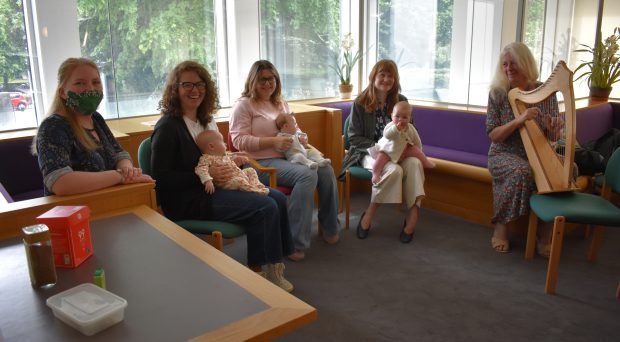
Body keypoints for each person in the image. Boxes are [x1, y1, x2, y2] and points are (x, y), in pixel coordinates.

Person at [151, 60, 295, 292]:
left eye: (200, 84)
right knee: (264, 207)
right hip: (190, 199)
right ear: (175, 89)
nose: (195, 90)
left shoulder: (205, 119)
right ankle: (259, 271)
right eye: (187, 85)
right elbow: (161, 179)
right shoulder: (168, 127)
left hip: (216, 188)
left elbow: (216, 155)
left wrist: (231, 157)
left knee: (277, 198)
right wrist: (199, 177)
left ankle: (275, 265)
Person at [230, 60, 341, 261]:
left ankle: (329, 226)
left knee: (326, 169)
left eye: (271, 78)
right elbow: (239, 140)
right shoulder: (243, 105)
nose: (267, 83)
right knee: (307, 175)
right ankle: (294, 242)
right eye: (262, 79)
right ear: (253, 81)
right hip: (259, 164)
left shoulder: (280, 102)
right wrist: (272, 141)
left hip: (288, 158)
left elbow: (293, 128)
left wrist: (301, 136)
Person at [34, 57, 154, 196]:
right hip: (72, 211)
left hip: (109, 201)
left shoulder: (96, 118)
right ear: (62, 92)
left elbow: (119, 154)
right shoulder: (53, 126)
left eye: (96, 82)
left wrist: (127, 170)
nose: (90, 88)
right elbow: (60, 183)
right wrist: (119, 176)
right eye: (80, 83)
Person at [486, 42, 561, 254]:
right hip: (503, 154)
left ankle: (545, 232)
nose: (509, 68)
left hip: (537, 154)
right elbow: (493, 134)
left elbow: (553, 135)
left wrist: (554, 129)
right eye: (505, 64)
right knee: (521, 171)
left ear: (525, 63)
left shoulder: (544, 93)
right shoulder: (498, 94)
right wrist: (519, 120)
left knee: (565, 170)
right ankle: (501, 227)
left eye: (514, 63)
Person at [340, 59, 424, 244]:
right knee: (394, 170)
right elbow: (353, 137)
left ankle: (413, 213)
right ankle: (369, 212)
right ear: (373, 77)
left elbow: (411, 130)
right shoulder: (360, 102)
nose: (386, 79)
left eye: (390, 76)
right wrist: (382, 149)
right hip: (369, 152)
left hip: (400, 151)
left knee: (416, 164)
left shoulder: (401, 101)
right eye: (382, 75)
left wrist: (405, 148)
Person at [368, 101, 435, 184]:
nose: (400, 119)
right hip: (387, 150)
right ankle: (376, 173)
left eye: (404, 117)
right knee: (379, 161)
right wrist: (396, 129)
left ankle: (425, 161)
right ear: (392, 116)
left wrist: (418, 149)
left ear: (410, 118)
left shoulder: (411, 128)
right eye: (397, 116)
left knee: (415, 150)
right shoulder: (391, 126)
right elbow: (387, 135)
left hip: (403, 149)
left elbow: (417, 140)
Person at [194, 129, 268, 195]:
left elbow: (232, 157)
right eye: (222, 142)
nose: (225, 144)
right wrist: (208, 181)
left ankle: (256, 185)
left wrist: (238, 158)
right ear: (211, 146)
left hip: (238, 175)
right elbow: (201, 169)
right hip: (227, 182)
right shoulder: (206, 158)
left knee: (250, 170)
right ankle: (254, 191)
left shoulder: (224, 154)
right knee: (239, 181)